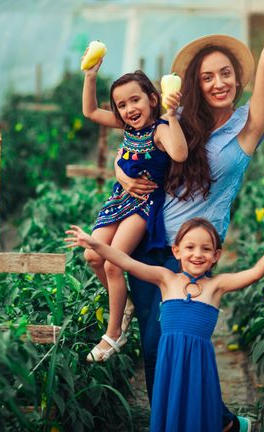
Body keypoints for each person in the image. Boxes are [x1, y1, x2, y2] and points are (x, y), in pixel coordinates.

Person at [113, 0, 264, 432]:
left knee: (181, 347)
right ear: (196, 84)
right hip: (151, 242)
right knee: (154, 350)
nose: (217, 83)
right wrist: (121, 172)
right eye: (207, 76)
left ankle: (202, 431)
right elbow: (134, 142)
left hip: (192, 254)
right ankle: (210, 428)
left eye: (225, 74)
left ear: (238, 79)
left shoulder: (248, 127)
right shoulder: (181, 119)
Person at [65, 217, 264, 432]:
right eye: (190, 247)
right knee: (170, 410)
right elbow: (126, 262)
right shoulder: (166, 279)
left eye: (206, 249)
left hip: (199, 366)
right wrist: (95, 244)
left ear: (216, 255)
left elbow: (255, 273)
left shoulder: (216, 286)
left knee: (197, 412)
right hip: (170, 363)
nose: (197, 254)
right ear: (176, 251)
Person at [80, 58, 188, 362]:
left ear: (152, 99)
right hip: (119, 199)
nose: (129, 109)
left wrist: (172, 115)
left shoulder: (160, 129)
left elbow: (179, 153)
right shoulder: (126, 125)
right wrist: (90, 76)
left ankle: (114, 332)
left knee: (114, 263)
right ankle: (124, 304)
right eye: (122, 105)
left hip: (144, 204)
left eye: (135, 100)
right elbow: (89, 111)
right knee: (91, 255)